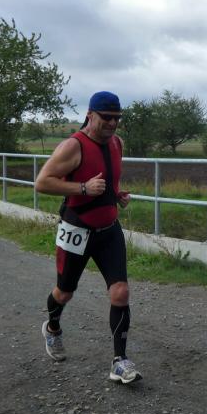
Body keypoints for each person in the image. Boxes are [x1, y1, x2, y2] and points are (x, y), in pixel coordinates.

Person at [35, 91, 140, 384]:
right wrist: (83, 188)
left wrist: (116, 195)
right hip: (77, 229)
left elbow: (108, 178)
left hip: (108, 229)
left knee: (120, 292)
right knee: (64, 292)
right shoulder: (73, 146)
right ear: (90, 115)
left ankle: (120, 361)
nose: (112, 124)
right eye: (106, 117)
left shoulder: (117, 143)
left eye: (117, 118)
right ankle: (52, 328)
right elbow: (42, 183)